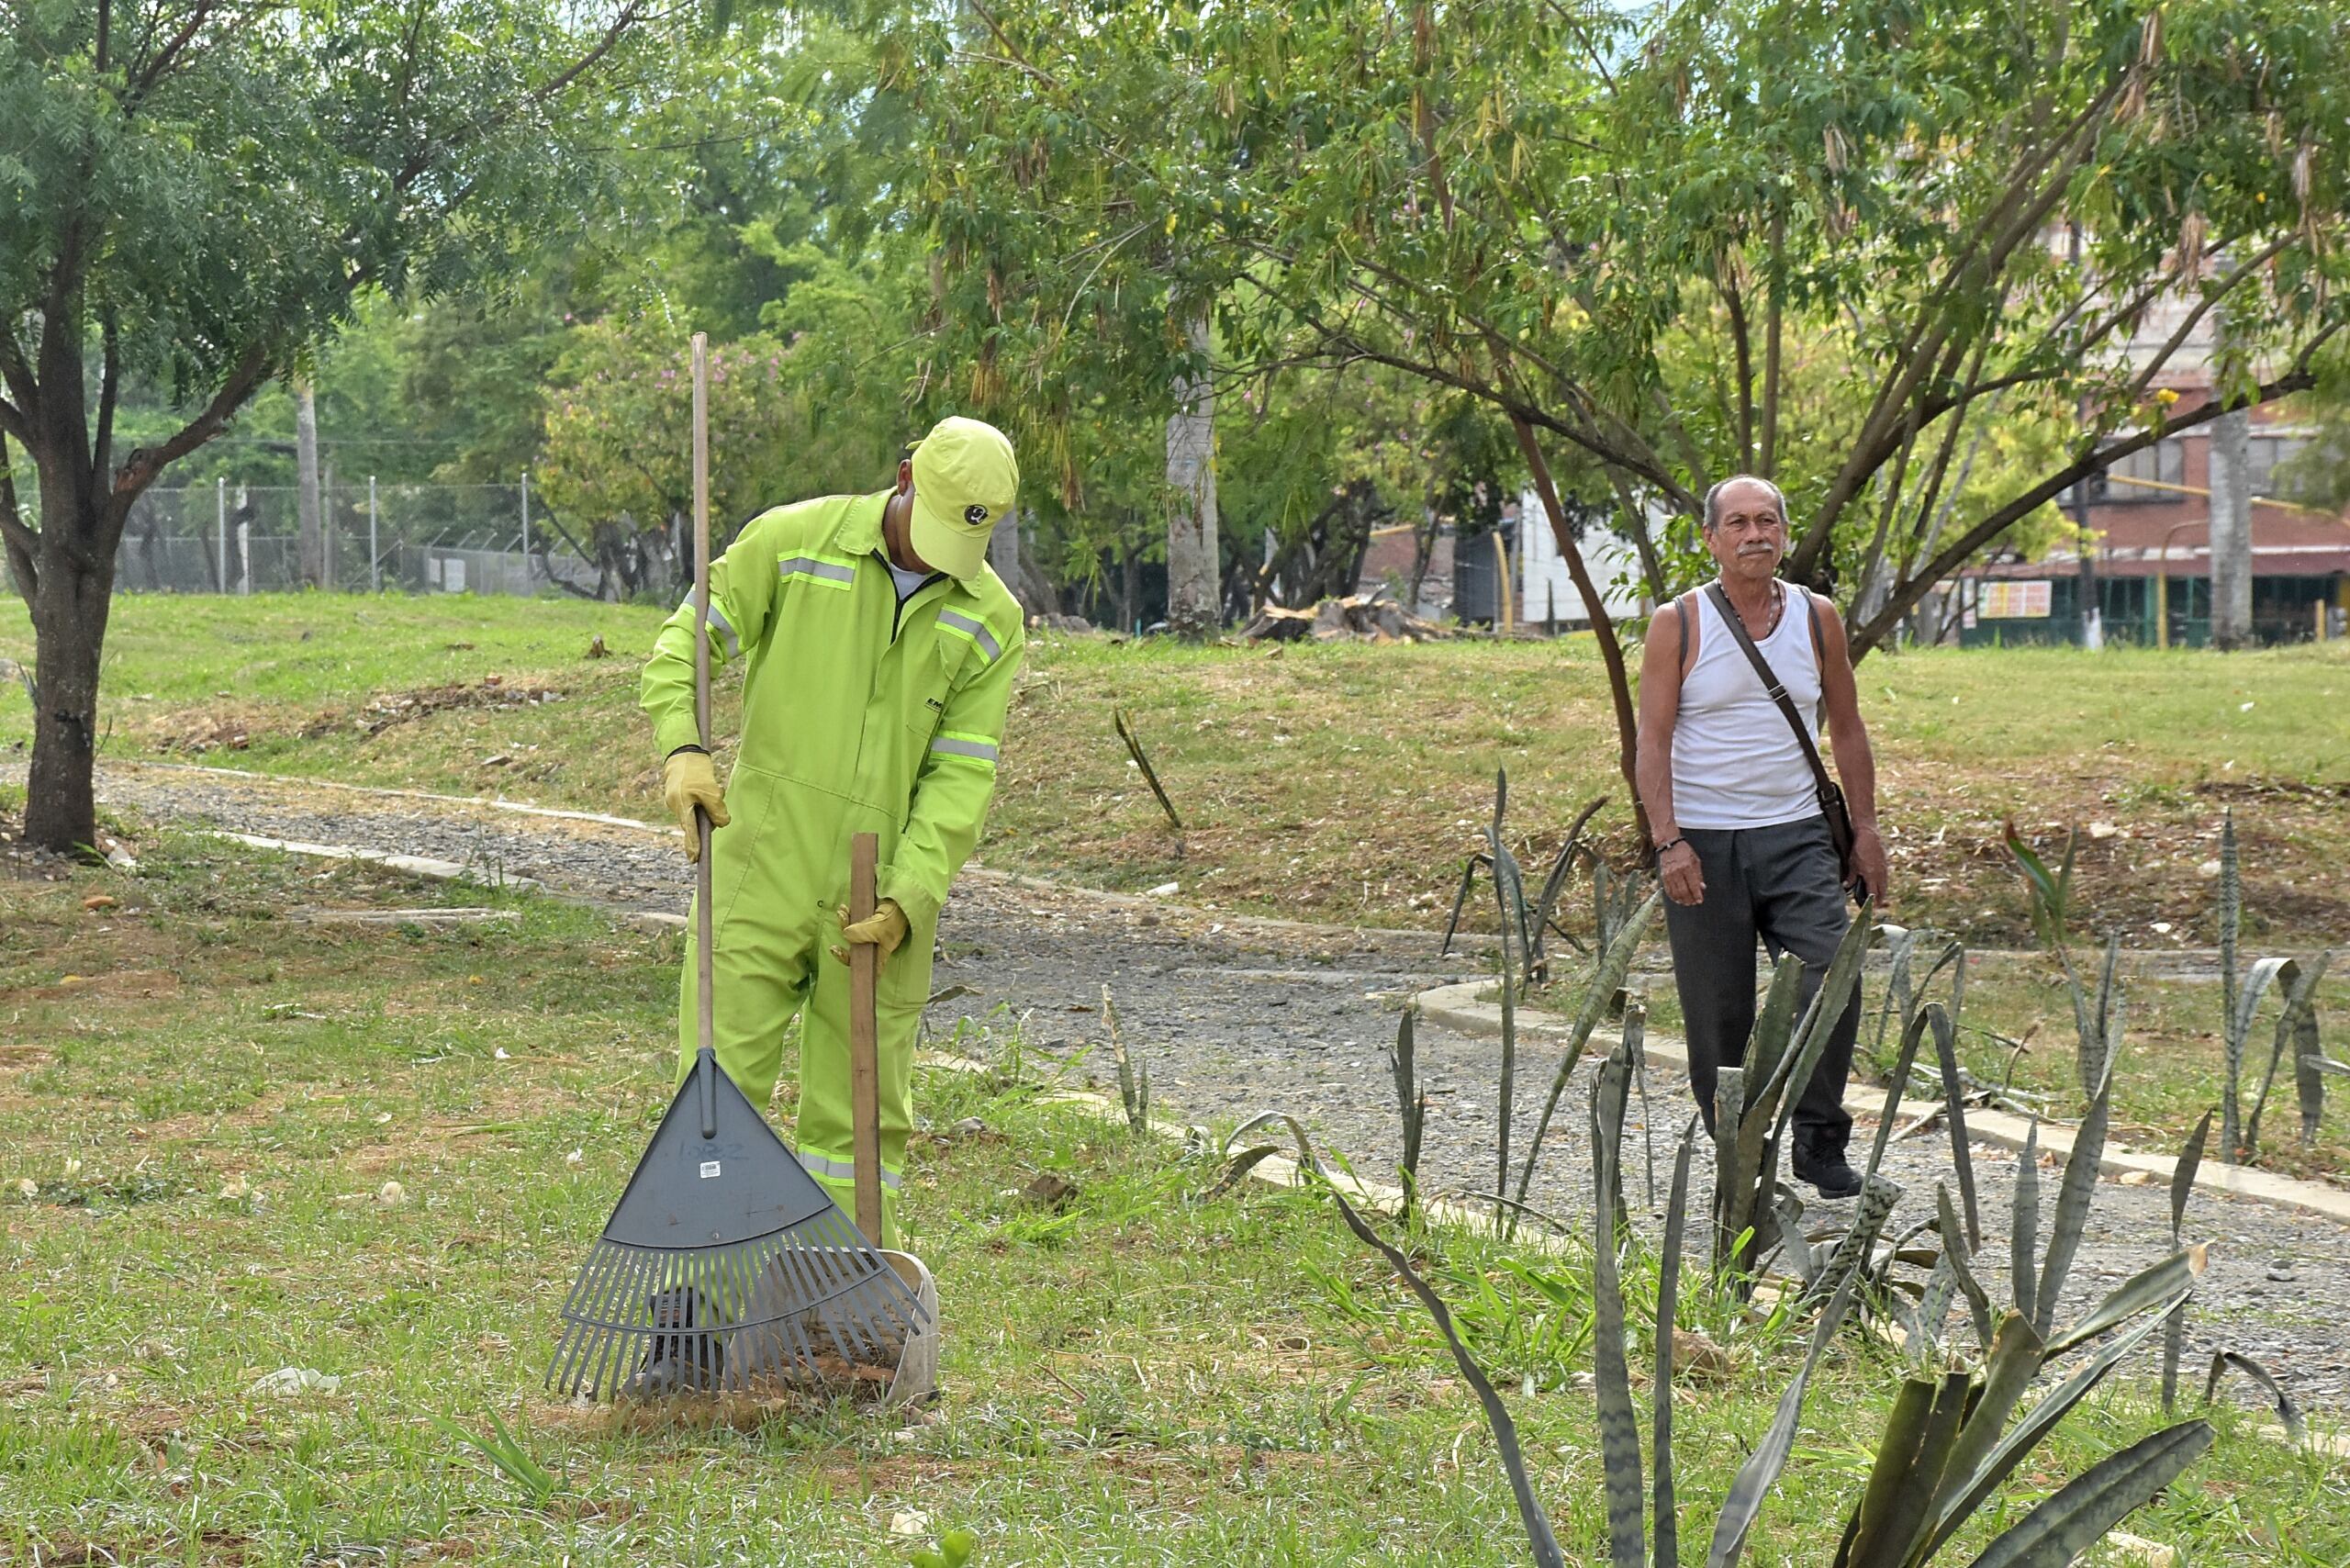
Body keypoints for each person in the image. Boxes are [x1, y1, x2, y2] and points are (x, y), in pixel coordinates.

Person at [641, 415, 1025, 1248]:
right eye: (928, 533)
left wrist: (912, 893)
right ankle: (695, 1312)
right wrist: (683, 745)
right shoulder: (792, 541)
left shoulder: (991, 618)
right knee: (717, 1097)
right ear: (903, 476)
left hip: (877, 891)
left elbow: (963, 774)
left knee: (857, 1123)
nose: (935, 561)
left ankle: (833, 1312)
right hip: (760, 865)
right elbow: (685, 645)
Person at [1634, 476, 1888, 1198]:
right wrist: (1667, 841)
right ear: (1712, 540)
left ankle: (1819, 1143)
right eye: (1739, 523)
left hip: (1798, 835)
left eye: (1768, 521)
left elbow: (1846, 727)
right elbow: (1650, 743)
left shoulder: (1817, 618)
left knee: (1830, 980)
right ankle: (1739, 1156)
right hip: (1705, 844)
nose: (1756, 535)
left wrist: (1865, 832)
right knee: (1720, 1015)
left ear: (1784, 532)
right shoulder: (1677, 623)